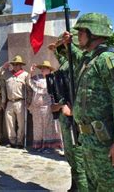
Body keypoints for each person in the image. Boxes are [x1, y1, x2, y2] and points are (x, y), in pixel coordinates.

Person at [56, 12, 114, 191]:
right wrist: (66, 46)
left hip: (106, 143)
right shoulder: (90, 59)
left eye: (82, 31)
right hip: (89, 141)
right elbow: (75, 57)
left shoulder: (106, 60)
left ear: (93, 33)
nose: (78, 36)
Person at [49, 31, 88, 192]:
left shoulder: (82, 62)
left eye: (64, 43)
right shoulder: (67, 63)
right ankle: (75, 185)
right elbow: (63, 60)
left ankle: (82, 187)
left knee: (79, 157)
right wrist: (56, 49)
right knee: (71, 155)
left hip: (76, 118)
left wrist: (74, 108)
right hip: (65, 115)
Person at [28, 61, 62, 153]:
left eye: (45, 68)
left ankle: (48, 146)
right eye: (41, 68)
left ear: (49, 70)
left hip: (47, 107)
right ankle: (38, 145)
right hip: (37, 107)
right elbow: (29, 83)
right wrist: (31, 72)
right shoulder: (36, 78)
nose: (42, 69)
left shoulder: (52, 79)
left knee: (47, 127)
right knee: (38, 127)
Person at [0, 55, 30, 149]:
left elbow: (29, 89)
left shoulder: (25, 74)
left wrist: (28, 101)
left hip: (20, 101)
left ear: (21, 65)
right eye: (14, 64)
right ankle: (12, 141)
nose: (15, 66)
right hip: (9, 102)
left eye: (17, 64)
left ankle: (20, 141)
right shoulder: (7, 74)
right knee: (9, 123)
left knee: (21, 123)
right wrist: (3, 67)